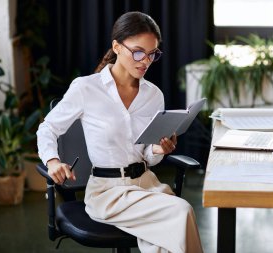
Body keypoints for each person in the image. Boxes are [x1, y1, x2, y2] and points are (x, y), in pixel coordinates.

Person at [37, 11, 203, 253]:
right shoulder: (86, 88)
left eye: (152, 54)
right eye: (138, 52)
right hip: (108, 193)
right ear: (116, 46)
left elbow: (148, 154)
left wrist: (158, 149)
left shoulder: (154, 95)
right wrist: (52, 161)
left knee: (162, 245)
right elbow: (48, 128)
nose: (145, 61)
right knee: (181, 211)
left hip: (147, 186)